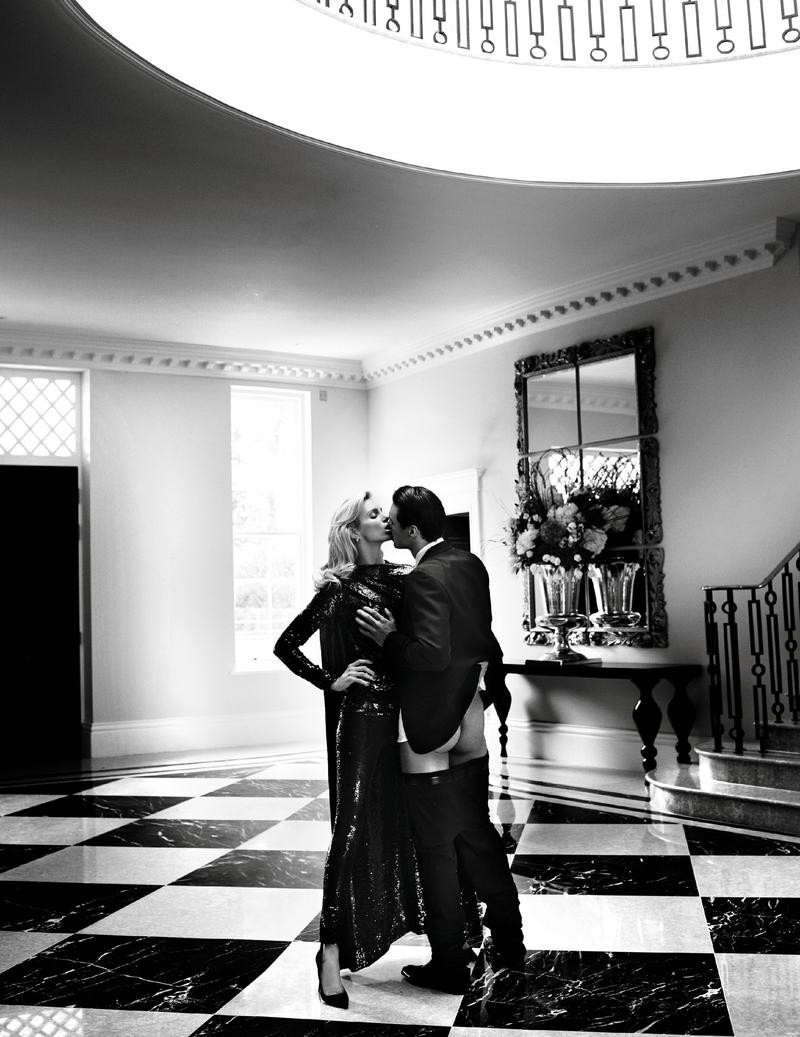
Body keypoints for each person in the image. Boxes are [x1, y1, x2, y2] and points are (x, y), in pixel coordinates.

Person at [356, 485, 525, 995]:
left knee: (434, 847)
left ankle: (450, 962)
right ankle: (510, 940)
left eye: (393, 520)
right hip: (470, 711)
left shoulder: (423, 576)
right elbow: (482, 638)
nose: (388, 525)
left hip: (431, 722)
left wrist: (388, 638)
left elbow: (430, 654)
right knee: (477, 832)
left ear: (411, 530)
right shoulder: (470, 563)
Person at [273, 492, 423, 1009]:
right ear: (354, 531)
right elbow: (286, 645)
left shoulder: (407, 576)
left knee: (411, 820)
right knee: (352, 827)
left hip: (409, 715)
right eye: (374, 514)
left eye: (384, 512)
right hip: (362, 716)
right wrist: (330, 680)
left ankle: (440, 931)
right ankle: (330, 950)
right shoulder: (338, 588)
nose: (385, 518)